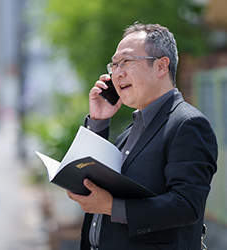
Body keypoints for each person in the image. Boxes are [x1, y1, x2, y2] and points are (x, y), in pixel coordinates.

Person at [67, 23, 218, 250]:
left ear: (160, 66)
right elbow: (92, 181)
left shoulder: (187, 125)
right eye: (114, 64)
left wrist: (111, 207)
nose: (117, 73)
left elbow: (187, 205)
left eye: (126, 62)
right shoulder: (129, 133)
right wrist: (98, 121)